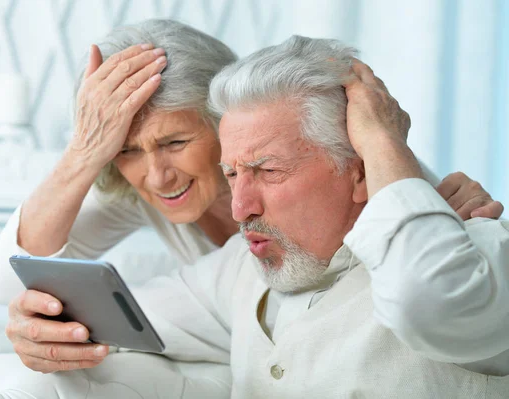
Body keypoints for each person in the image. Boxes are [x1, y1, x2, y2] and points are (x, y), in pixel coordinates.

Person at [128, 36, 509, 397]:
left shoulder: (486, 256)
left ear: (361, 169)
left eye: (269, 171)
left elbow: (426, 300)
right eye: (231, 173)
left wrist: (380, 138)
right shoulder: (240, 268)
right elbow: (118, 315)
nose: (239, 208)